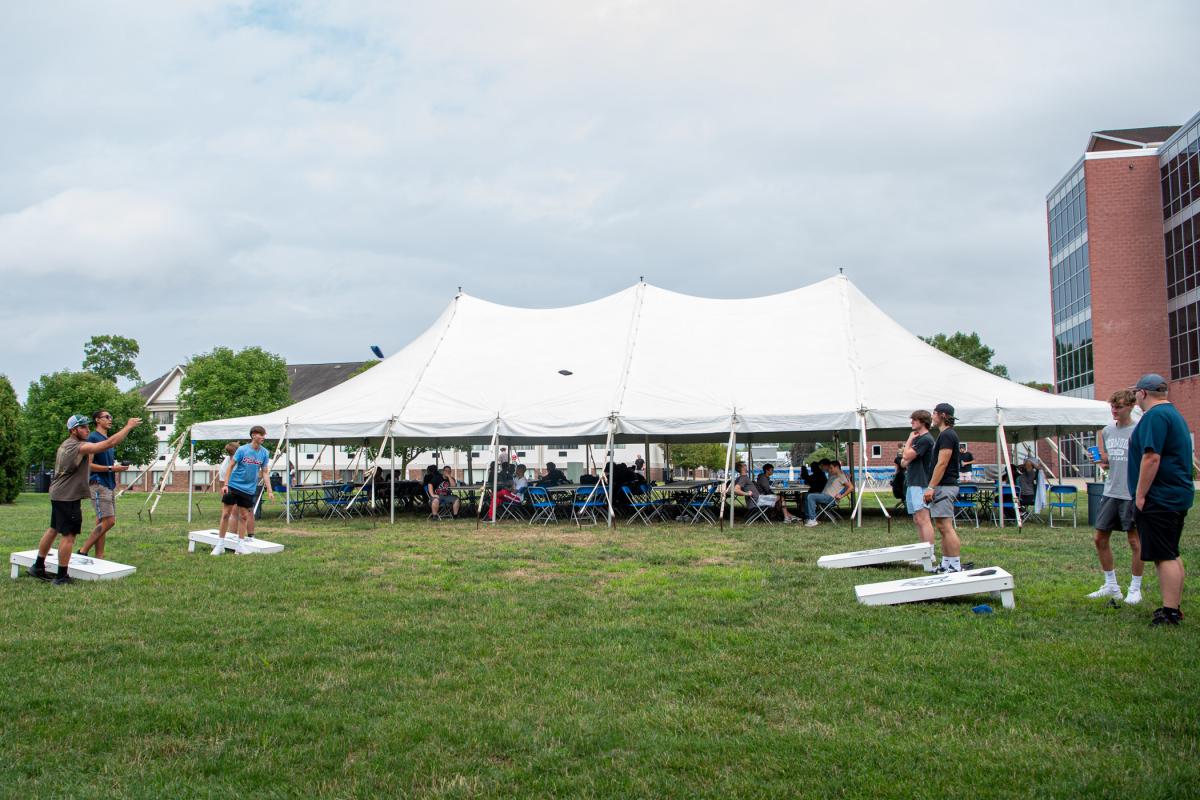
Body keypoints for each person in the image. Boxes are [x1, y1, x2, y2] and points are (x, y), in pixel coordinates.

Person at [28, 414, 142, 584]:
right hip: (68, 496)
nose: (87, 430)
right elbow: (109, 443)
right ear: (73, 430)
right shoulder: (77, 446)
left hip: (59, 493)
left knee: (53, 529)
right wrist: (128, 426)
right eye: (83, 427)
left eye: (88, 426)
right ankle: (61, 577)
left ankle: (37, 566)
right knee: (69, 536)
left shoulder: (66, 445)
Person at [1128, 374, 1192, 626]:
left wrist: (1141, 494)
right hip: (1175, 494)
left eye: (1136, 393)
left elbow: (1151, 457)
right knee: (1171, 552)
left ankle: (1169, 612)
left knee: (1163, 555)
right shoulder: (1173, 413)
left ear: (1143, 393)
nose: (1135, 398)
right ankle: (1173, 606)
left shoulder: (1155, 416)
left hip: (1160, 497)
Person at [1087, 389, 1143, 604]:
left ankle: (1135, 588)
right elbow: (1112, 459)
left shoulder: (1139, 431)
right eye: (1112, 407)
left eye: (1118, 407)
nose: (1114, 411)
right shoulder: (1108, 431)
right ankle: (1111, 586)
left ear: (1130, 407)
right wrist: (1102, 459)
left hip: (1131, 493)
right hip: (1110, 491)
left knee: (1134, 541)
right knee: (1100, 538)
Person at [77, 409, 133, 559]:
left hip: (108, 484)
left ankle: (99, 556)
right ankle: (83, 551)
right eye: (106, 417)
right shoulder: (93, 438)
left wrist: (115, 467)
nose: (110, 419)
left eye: (111, 417)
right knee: (109, 521)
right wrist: (111, 468)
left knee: (101, 522)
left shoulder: (106, 439)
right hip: (98, 484)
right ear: (97, 420)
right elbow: (88, 465)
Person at [213, 426, 275, 556]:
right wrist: (226, 484)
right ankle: (220, 544)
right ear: (253, 435)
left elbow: (265, 472)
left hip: (249, 489)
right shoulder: (242, 450)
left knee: (244, 516)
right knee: (225, 514)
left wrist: (269, 490)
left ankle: (240, 546)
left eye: (264, 435)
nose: (263, 437)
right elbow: (231, 466)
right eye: (260, 434)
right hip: (234, 486)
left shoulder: (264, 453)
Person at [923, 402, 964, 573]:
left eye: (934, 413)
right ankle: (946, 563)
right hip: (943, 485)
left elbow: (943, 462)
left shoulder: (947, 435)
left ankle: (955, 565)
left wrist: (931, 487)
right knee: (941, 525)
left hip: (945, 485)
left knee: (946, 526)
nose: (931, 417)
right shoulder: (944, 435)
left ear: (943, 416)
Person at [901, 410, 937, 556]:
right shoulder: (919, 440)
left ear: (922, 422)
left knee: (923, 518)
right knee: (917, 519)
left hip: (921, 482)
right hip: (913, 481)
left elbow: (905, 455)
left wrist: (909, 440)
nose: (911, 422)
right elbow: (903, 462)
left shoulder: (925, 439)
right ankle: (923, 552)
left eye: (914, 420)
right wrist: (908, 454)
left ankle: (930, 553)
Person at [804, 461, 852, 527]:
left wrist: (841, 496)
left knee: (811, 496)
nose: (830, 470)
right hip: (824, 496)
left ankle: (812, 520)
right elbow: (825, 469)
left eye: (831, 468)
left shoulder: (842, 476)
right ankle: (808, 518)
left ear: (837, 467)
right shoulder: (832, 474)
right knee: (806, 495)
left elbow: (851, 487)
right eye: (829, 468)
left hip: (830, 498)